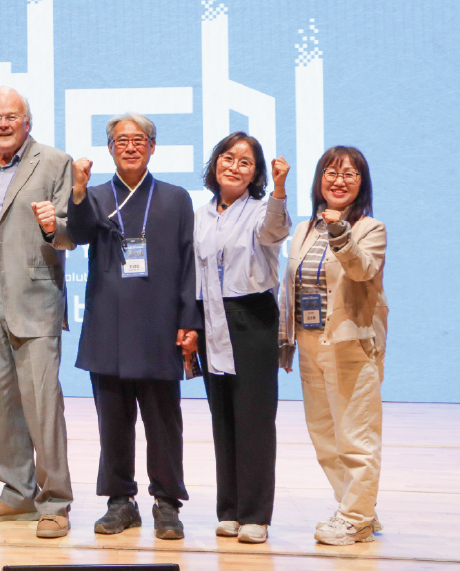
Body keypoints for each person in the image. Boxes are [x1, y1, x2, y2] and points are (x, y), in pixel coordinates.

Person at [66, 112, 200, 541]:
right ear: (110, 149)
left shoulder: (176, 198)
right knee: (113, 424)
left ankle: (167, 503)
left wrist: (189, 320)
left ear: (152, 147)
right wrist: (78, 190)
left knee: (164, 423)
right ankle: (120, 501)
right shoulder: (95, 196)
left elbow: (188, 263)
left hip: (160, 326)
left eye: (138, 140)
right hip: (107, 326)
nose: (130, 147)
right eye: (121, 140)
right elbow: (79, 234)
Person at [0, 86, 76, 539]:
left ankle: (56, 501)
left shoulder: (54, 161)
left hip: (34, 297)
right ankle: (17, 493)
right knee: (1, 404)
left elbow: (70, 232)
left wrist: (53, 225)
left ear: (28, 122)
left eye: (12, 116)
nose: (4, 124)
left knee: (42, 404)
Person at [280, 147, 387, 546]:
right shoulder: (305, 229)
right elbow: (290, 286)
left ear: (361, 184)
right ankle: (358, 508)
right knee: (325, 439)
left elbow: (362, 269)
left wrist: (340, 231)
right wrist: (286, 340)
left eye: (349, 174)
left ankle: (356, 518)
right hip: (310, 343)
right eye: (331, 172)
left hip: (350, 344)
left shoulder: (370, 229)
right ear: (319, 180)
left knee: (356, 438)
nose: (339, 181)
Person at [193, 132, 290, 544]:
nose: (234, 166)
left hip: (252, 317)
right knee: (223, 418)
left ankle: (255, 515)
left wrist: (280, 189)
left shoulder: (262, 209)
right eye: (227, 158)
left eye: (245, 162)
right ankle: (229, 510)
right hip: (210, 318)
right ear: (215, 163)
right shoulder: (200, 214)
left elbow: (273, 232)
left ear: (255, 174)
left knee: (254, 419)